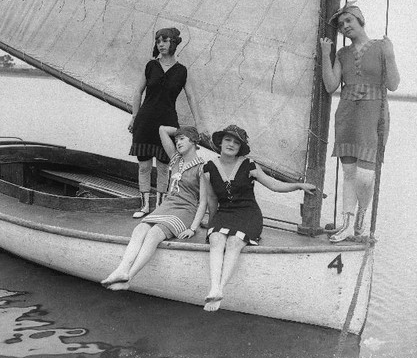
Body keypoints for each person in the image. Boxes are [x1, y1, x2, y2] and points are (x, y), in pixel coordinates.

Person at [203, 125, 316, 312]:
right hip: (224, 214)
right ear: (220, 143)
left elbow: (274, 185)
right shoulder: (208, 168)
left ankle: (219, 290)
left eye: (236, 142)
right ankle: (214, 286)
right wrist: (211, 224)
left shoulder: (249, 165)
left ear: (240, 148)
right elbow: (212, 199)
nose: (231, 144)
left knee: (234, 241)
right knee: (215, 238)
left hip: (248, 214)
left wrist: (297, 186)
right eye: (228, 140)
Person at [320, 2, 400, 242]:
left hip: (373, 115)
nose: (345, 27)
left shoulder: (380, 47)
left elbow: (394, 85)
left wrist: (391, 53)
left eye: (349, 22)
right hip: (347, 115)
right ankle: (346, 223)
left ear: (360, 20)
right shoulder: (342, 54)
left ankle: (361, 214)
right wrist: (326, 55)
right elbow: (330, 85)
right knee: (348, 173)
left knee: (365, 176)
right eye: (341, 25)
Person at [101, 125, 207, 290]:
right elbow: (162, 130)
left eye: (182, 139)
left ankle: (128, 277)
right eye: (177, 139)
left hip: (185, 210)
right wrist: (182, 131)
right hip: (168, 206)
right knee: (140, 229)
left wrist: (193, 228)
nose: (178, 142)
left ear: (193, 141)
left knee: (154, 234)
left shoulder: (202, 168)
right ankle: (122, 270)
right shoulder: (175, 159)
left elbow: (203, 202)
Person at [128, 27, 199, 218]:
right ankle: (144, 207)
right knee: (143, 166)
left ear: (173, 43)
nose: (161, 44)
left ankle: (159, 207)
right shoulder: (151, 66)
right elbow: (137, 93)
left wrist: (199, 124)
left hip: (167, 125)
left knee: (163, 167)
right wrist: (134, 117)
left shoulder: (182, 71)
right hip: (145, 121)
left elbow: (191, 97)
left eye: (165, 40)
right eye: (158, 41)